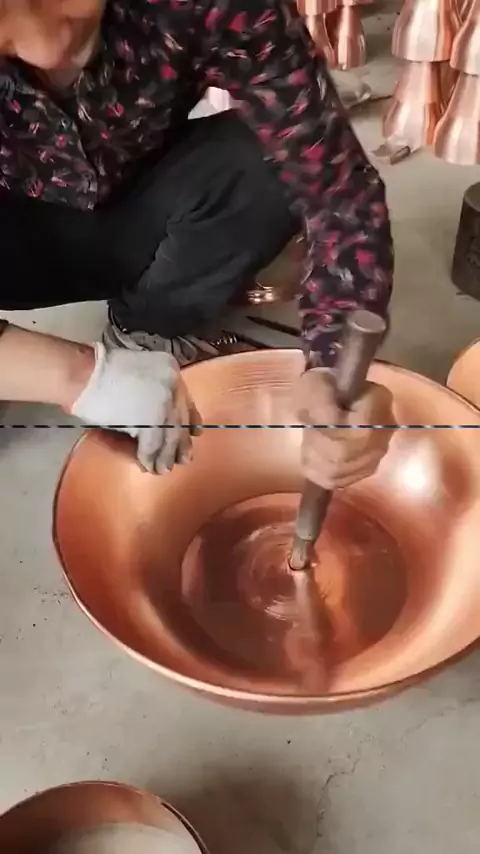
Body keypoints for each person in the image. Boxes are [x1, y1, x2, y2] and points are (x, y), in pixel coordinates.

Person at [0, 0, 395, 480]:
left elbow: (337, 190)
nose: (46, 48)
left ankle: (149, 330)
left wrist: (334, 362)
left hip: (141, 204)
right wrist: (72, 374)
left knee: (263, 159)